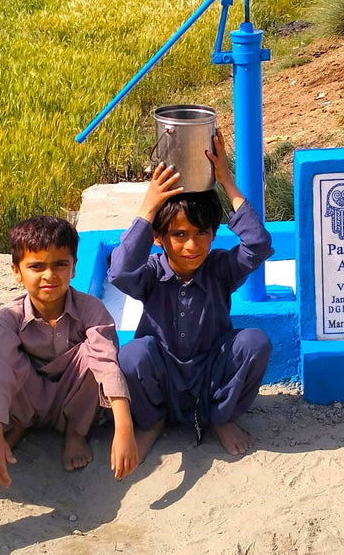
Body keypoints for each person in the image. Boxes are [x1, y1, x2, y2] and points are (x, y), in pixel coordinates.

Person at [108, 130, 273, 459]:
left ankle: (221, 418)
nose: (192, 245)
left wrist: (226, 181)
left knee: (255, 342)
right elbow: (120, 272)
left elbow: (258, 244)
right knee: (131, 355)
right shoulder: (152, 274)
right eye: (179, 234)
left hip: (211, 373)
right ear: (159, 238)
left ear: (213, 234)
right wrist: (148, 208)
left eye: (202, 233)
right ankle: (152, 421)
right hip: (164, 375)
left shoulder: (220, 269)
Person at [0, 216, 138, 489]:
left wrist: (124, 428)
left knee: (93, 357)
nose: (49, 275)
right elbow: (3, 372)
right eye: (36, 266)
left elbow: (107, 363)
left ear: (73, 268)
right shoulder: (9, 317)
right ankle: (18, 425)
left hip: (73, 396)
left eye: (60, 264)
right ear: (17, 271)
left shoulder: (91, 309)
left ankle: (76, 433)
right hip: (30, 394)